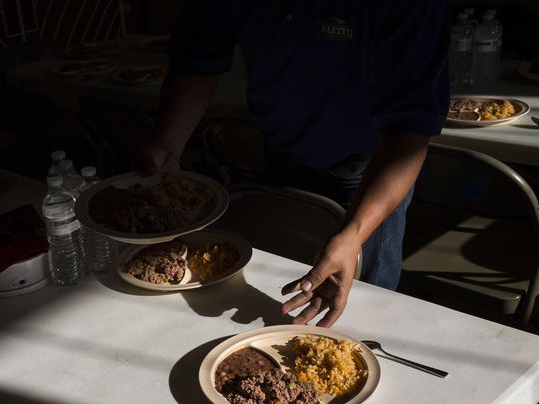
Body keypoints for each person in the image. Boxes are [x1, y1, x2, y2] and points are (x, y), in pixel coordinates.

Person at [137, 1, 450, 327]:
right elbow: (197, 59)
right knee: (273, 297)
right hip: (278, 152)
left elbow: (409, 132)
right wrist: (167, 148)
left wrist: (353, 234)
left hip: (368, 172)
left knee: (355, 315)